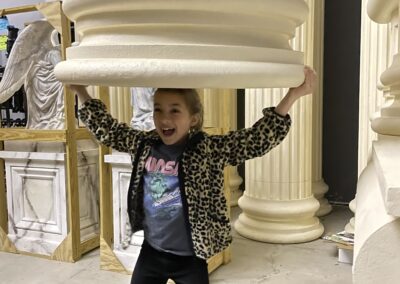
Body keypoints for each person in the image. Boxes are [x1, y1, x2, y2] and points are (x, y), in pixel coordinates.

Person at [70, 66, 316, 284]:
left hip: (191, 258)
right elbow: (110, 131)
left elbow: (253, 141)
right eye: (158, 109)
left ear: (193, 119)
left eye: (175, 111)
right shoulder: (144, 144)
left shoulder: (207, 149)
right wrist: (81, 91)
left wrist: (292, 95)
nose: (164, 118)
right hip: (152, 252)